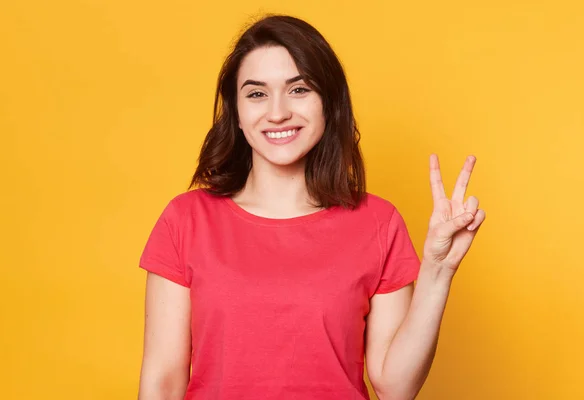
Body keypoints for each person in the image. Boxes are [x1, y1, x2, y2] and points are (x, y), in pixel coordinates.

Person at [137, 14, 485, 400]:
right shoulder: (186, 220)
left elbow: (395, 387)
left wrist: (438, 270)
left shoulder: (378, 222)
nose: (277, 112)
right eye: (256, 93)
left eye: (299, 89)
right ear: (236, 113)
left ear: (328, 103)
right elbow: (163, 383)